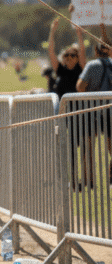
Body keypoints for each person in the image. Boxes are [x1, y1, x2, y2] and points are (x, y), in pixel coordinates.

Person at [74, 24, 112, 191]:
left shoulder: (92, 65)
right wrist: (103, 32)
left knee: (88, 150)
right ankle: (111, 178)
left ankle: (90, 183)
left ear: (96, 52)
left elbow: (80, 86)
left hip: (93, 112)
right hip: (111, 112)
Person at [48, 10, 86, 99]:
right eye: (66, 55)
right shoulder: (60, 70)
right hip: (64, 109)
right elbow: (51, 51)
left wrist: (79, 34)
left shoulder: (81, 69)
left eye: (72, 55)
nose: (69, 57)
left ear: (77, 58)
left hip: (79, 108)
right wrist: (52, 31)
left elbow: (82, 51)